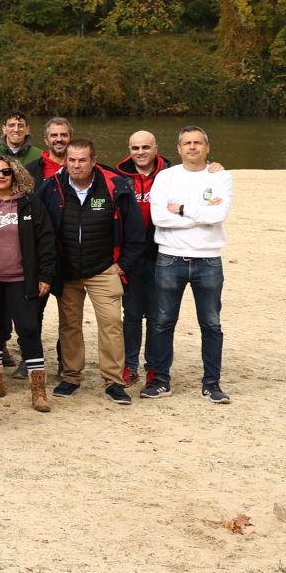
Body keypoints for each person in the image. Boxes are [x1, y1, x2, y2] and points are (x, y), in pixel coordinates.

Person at [36, 138, 146, 405]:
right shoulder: (51, 188)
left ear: (93, 161)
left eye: (82, 160)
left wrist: (121, 265)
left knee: (111, 324)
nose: (76, 165)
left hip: (103, 268)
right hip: (68, 269)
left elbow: (136, 232)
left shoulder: (114, 186)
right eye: (71, 160)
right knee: (70, 325)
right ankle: (72, 376)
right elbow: (39, 228)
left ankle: (113, 382)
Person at [147, 125, 232, 403]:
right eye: (187, 143)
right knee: (162, 322)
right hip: (170, 258)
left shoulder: (220, 176)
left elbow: (218, 215)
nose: (192, 147)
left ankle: (212, 383)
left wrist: (182, 209)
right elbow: (159, 218)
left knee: (211, 324)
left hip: (208, 259)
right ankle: (160, 380)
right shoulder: (166, 177)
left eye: (198, 143)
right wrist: (202, 214)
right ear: (179, 148)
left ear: (207, 147)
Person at [0, 156, 58, 412]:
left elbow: (46, 241)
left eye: (6, 172)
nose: (0, 176)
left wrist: (45, 276)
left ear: (15, 174)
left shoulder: (30, 204)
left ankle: (38, 389)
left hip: (22, 278)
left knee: (29, 329)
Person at [111, 130, 170, 385]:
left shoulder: (170, 176)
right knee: (132, 314)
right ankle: (130, 364)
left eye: (146, 147)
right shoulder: (119, 177)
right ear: (129, 149)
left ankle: (155, 367)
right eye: (135, 148)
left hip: (162, 254)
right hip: (131, 257)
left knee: (158, 316)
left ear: (156, 149)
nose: (140, 152)